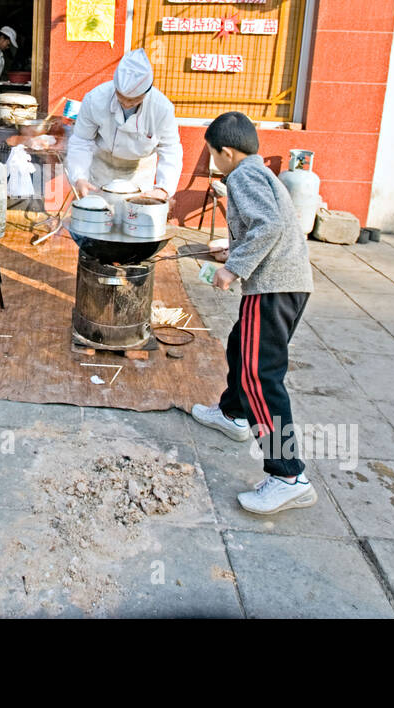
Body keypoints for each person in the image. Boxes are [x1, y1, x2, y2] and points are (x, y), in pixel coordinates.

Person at [190, 112, 316, 515]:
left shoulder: (241, 176)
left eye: (213, 154)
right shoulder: (259, 171)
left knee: (261, 377)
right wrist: (232, 251)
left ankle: (288, 475)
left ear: (227, 151)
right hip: (287, 283)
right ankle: (232, 413)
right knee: (240, 350)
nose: (214, 161)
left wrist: (233, 269)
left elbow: (270, 227)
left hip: (273, 288)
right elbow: (265, 227)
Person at [67, 48, 183, 202]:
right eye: (121, 97)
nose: (127, 104)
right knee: (98, 216)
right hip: (102, 167)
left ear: (147, 92)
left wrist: (164, 188)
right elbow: (82, 140)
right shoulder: (95, 99)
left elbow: (170, 148)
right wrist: (79, 177)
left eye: (134, 99)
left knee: (134, 220)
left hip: (140, 171)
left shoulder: (162, 108)